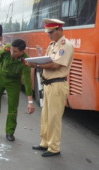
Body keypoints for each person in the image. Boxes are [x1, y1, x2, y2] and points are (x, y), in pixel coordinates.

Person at [28, 19, 74, 157]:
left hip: (58, 85)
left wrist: (36, 65)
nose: (49, 35)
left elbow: (56, 65)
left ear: (60, 29)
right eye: (47, 32)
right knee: (45, 116)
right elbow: (48, 60)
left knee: (54, 117)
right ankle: (45, 143)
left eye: (51, 32)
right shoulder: (53, 44)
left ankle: (54, 147)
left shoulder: (66, 45)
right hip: (48, 84)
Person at [0, 39, 35, 141]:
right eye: (11, 50)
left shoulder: (25, 61)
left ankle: (10, 132)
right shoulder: (6, 49)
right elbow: (0, 59)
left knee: (13, 106)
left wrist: (30, 101)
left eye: (15, 51)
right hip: (1, 78)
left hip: (14, 82)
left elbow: (27, 81)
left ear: (22, 52)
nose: (12, 52)